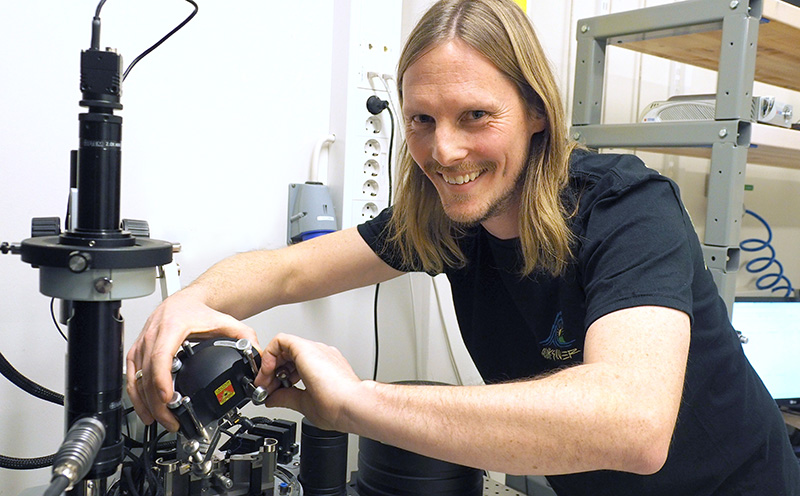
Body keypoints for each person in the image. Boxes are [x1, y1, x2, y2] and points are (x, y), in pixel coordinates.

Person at [127, 0, 800, 494]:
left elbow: (631, 426)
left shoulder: (627, 208)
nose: (444, 151)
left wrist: (357, 400)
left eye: (475, 116)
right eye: (422, 120)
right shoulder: (446, 222)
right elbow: (287, 270)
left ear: (536, 113)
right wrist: (186, 303)